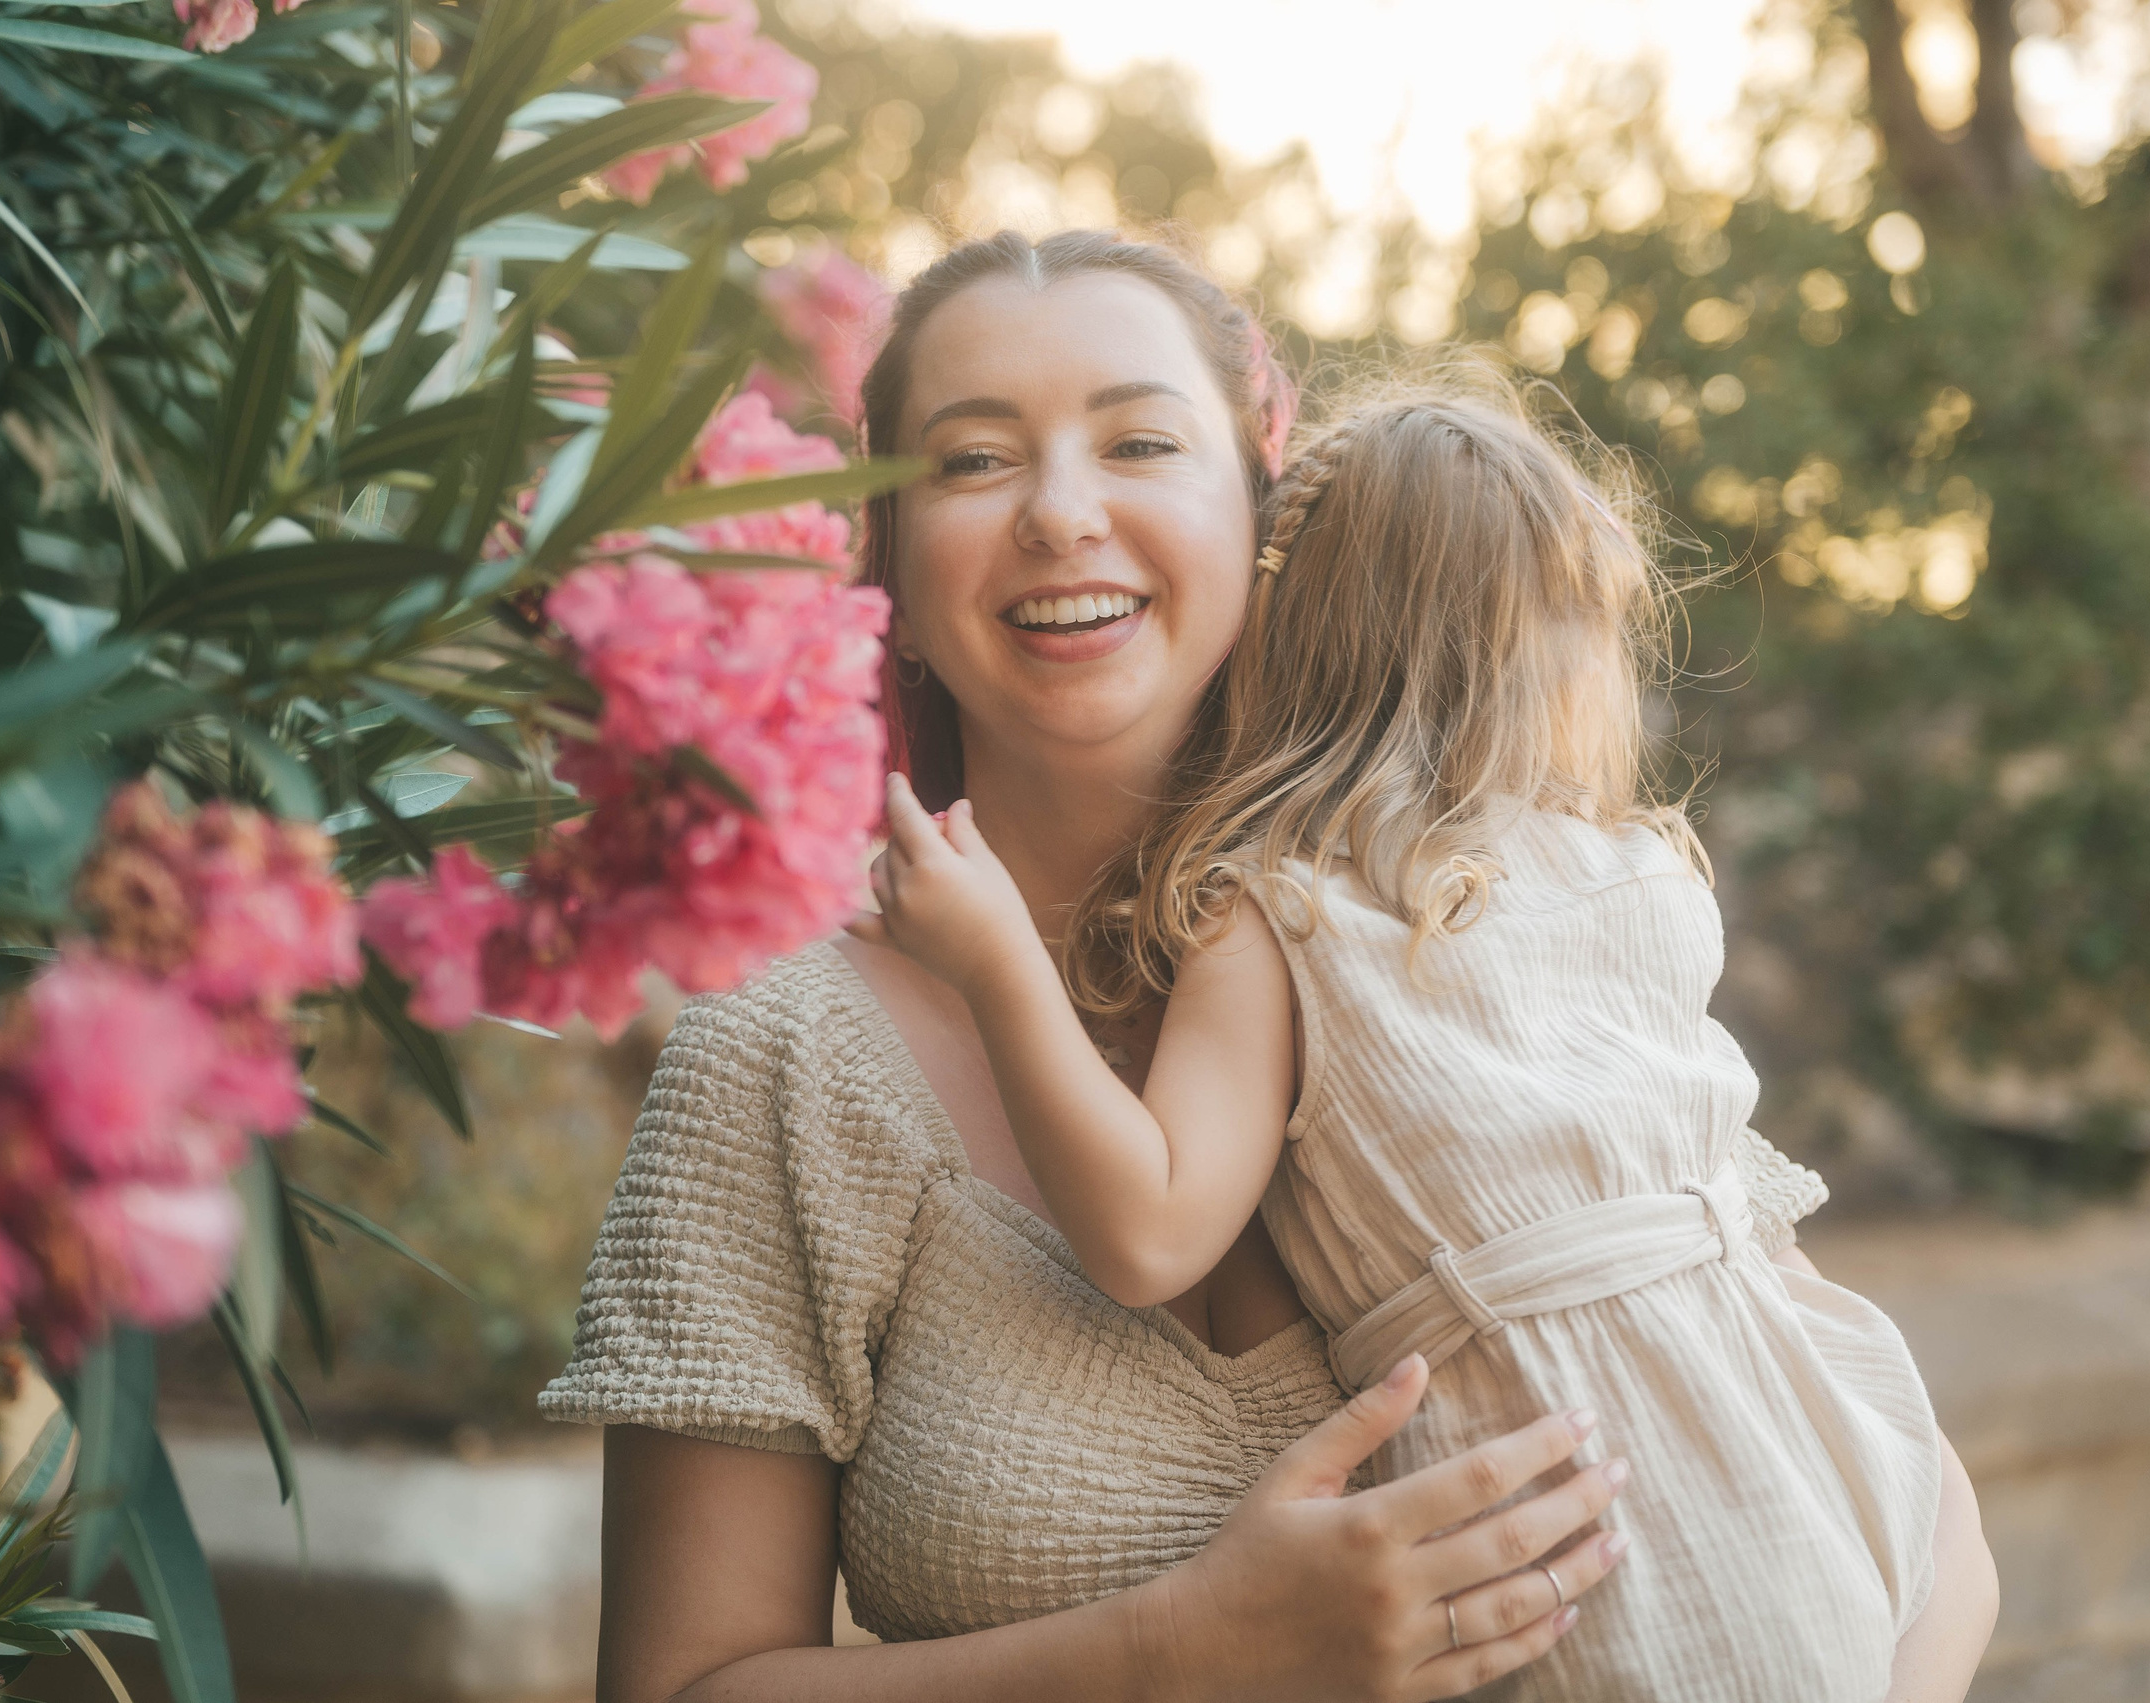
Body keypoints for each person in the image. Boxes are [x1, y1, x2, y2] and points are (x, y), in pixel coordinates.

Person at [549, 229, 1996, 1702]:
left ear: (1262, 524)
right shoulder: (780, 1061)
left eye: (1140, 442)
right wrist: (1180, 1652)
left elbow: (1913, 1495)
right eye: (972, 463)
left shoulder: (1467, 916)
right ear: (892, 591)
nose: (1061, 513)